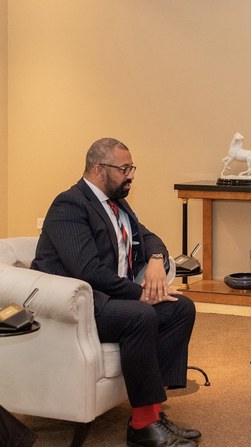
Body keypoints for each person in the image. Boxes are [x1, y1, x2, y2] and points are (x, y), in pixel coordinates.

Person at [32, 138, 200, 447]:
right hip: (79, 304)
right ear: (98, 169)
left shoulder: (117, 203)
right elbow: (88, 270)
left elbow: (149, 237)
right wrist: (140, 294)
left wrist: (156, 261)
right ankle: (142, 428)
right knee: (141, 314)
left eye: (131, 167)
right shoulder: (69, 204)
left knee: (181, 308)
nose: (131, 175)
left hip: (112, 298)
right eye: (124, 168)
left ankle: (152, 411)